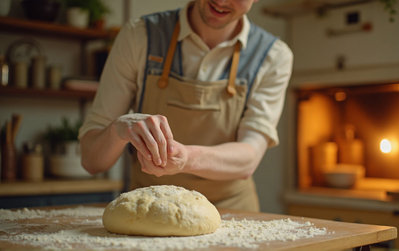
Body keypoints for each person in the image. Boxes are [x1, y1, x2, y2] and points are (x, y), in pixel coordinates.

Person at [78, 0, 293, 212]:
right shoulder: (140, 36)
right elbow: (92, 162)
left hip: (232, 212)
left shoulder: (273, 56)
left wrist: (186, 158)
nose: (221, 1)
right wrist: (119, 129)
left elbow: (249, 157)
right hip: (149, 208)